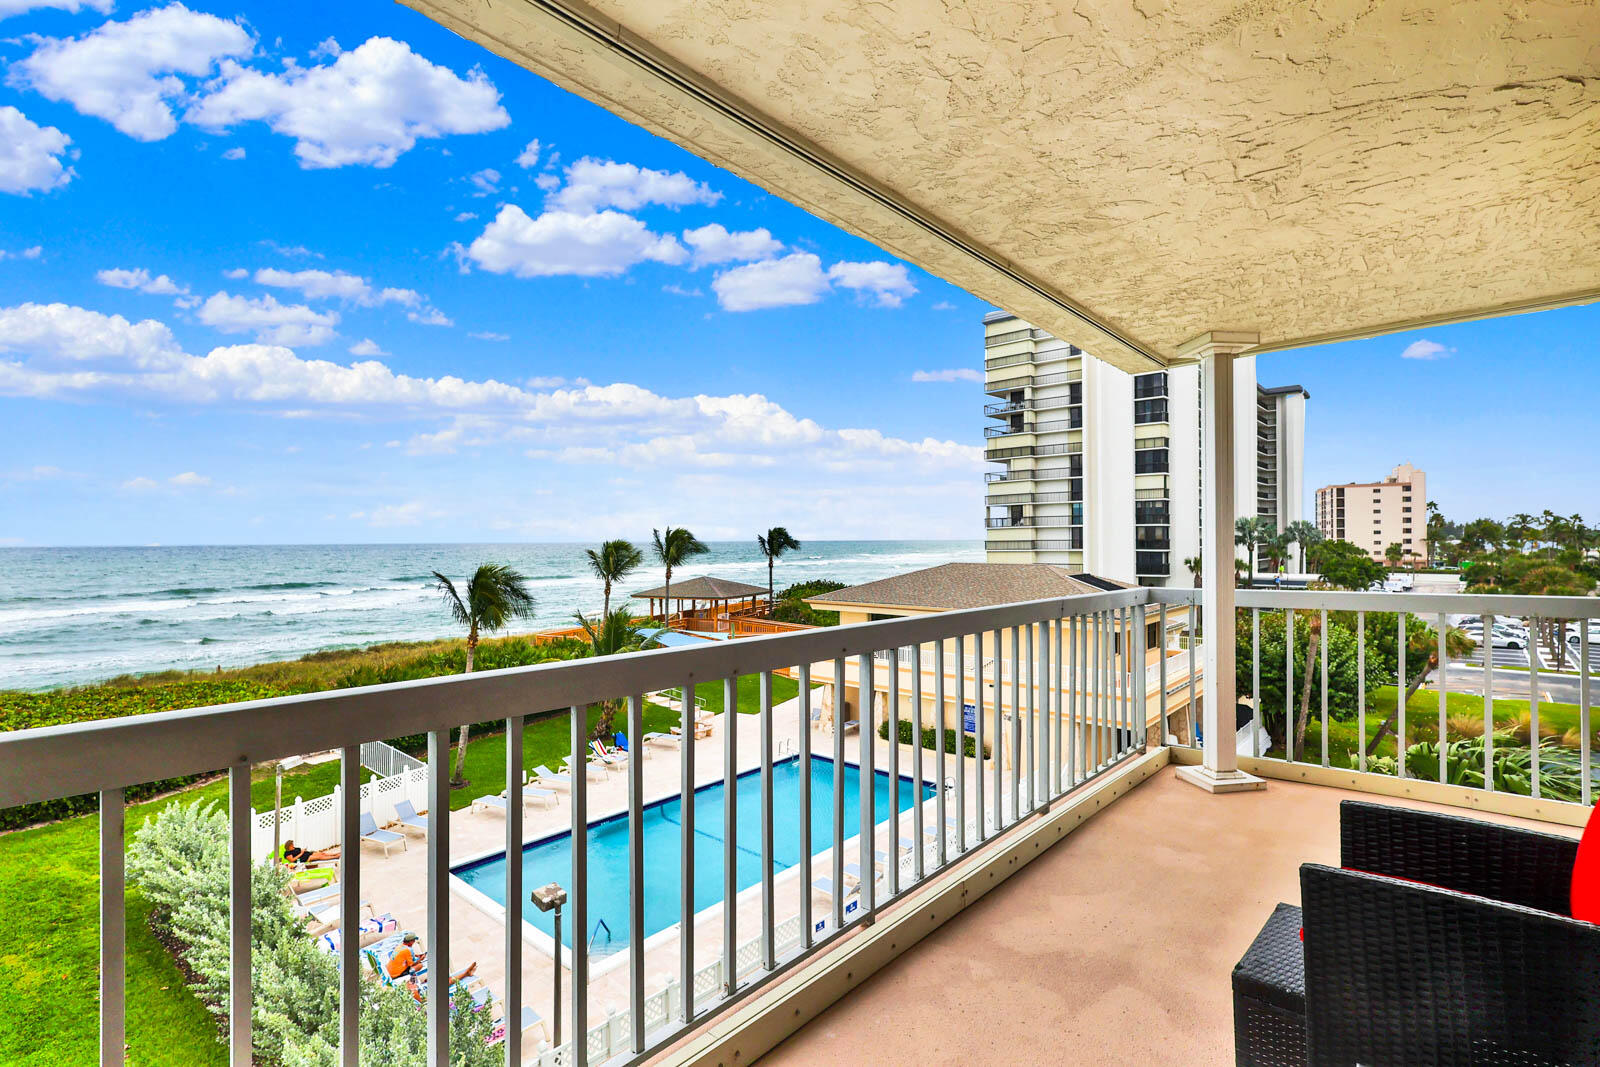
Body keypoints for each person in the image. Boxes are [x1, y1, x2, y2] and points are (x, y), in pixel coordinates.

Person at [386, 932, 476, 1002]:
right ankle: (466, 973)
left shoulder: (410, 986)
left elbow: (413, 983)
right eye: (413, 940)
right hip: (428, 991)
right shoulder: (413, 990)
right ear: (410, 941)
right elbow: (422, 1001)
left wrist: (418, 982)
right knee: (443, 982)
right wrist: (420, 960)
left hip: (421, 986)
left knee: (439, 979)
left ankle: (466, 973)